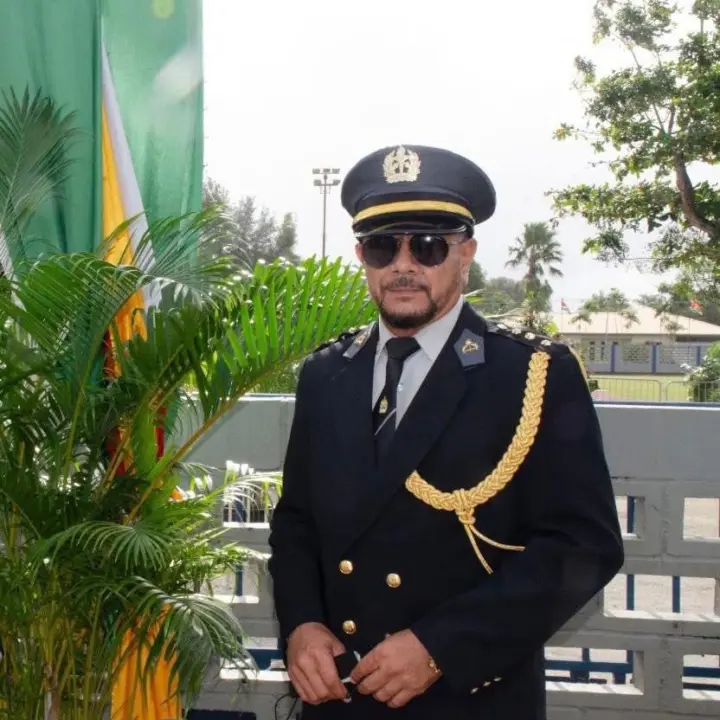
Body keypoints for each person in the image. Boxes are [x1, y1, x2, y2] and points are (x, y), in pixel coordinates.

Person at [268, 144, 624, 719]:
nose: (403, 265)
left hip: (467, 696)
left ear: (466, 254)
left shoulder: (530, 374)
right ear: (361, 256)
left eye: (429, 246)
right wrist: (302, 624)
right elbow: (297, 522)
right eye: (383, 247)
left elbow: (583, 545)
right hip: (341, 694)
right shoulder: (327, 373)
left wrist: (440, 646)